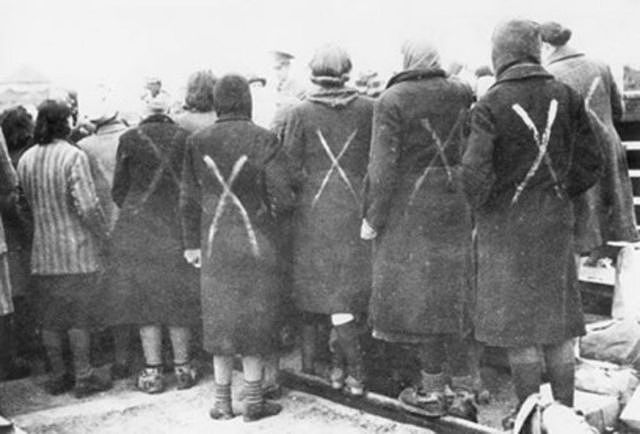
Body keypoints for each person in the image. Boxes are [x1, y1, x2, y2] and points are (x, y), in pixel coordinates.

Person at [461, 19, 603, 423]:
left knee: (519, 329)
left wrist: (490, 203)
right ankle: (565, 416)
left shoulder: (488, 104)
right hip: (555, 226)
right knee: (557, 326)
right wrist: (558, 192)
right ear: (536, 49)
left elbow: (474, 177)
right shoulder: (567, 95)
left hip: (506, 232)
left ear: (498, 54)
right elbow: (591, 162)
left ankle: (529, 420)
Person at [362, 39, 477, 418]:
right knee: (454, 293)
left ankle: (432, 392)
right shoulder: (461, 92)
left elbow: (381, 169)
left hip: (411, 212)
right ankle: (465, 390)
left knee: (423, 299)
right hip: (455, 204)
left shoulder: (392, 100)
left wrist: (372, 218)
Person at [181, 74, 294, 422]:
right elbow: (284, 198)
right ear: (247, 100)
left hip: (214, 244)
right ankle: (255, 401)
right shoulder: (265, 139)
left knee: (220, 318)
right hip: (258, 242)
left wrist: (190, 245)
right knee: (255, 319)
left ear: (217, 102)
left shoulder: (197, 141)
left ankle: (222, 402)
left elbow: (187, 198)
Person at [281, 44, 373, 396]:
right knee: (348, 299)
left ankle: (345, 370)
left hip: (316, 217)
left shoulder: (299, 112)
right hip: (357, 214)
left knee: (333, 300)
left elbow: (289, 168)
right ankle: (350, 370)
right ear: (347, 70)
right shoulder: (370, 109)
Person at [17, 99, 112, 398]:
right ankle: (84, 377)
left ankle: (58, 376)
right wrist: (103, 233)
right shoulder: (73, 156)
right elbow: (87, 205)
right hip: (76, 251)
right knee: (79, 317)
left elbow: (23, 206)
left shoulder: (26, 159)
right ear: (66, 122)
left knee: (50, 319)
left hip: (42, 254)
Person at [106, 99, 199, 394]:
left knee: (145, 301)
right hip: (177, 229)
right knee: (179, 297)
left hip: (140, 233)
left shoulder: (128, 138)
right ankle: (184, 368)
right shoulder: (186, 138)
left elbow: (118, 190)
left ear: (143, 114)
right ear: (168, 114)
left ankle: (153, 371)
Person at [540, 21, 639, 259]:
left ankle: (587, 265)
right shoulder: (600, 65)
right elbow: (619, 109)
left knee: (585, 213)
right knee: (610, 205)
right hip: (608, 143)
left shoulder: (549, 76)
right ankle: (604, 259)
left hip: (577, 152)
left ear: (546, 46)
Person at [77, 103, 131, 379]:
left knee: (102, 293)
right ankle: (125, 356)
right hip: (128, 223)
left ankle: (106, 354)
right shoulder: (129, 137)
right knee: (125, 292)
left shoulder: (84, 147)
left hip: (99, 229)